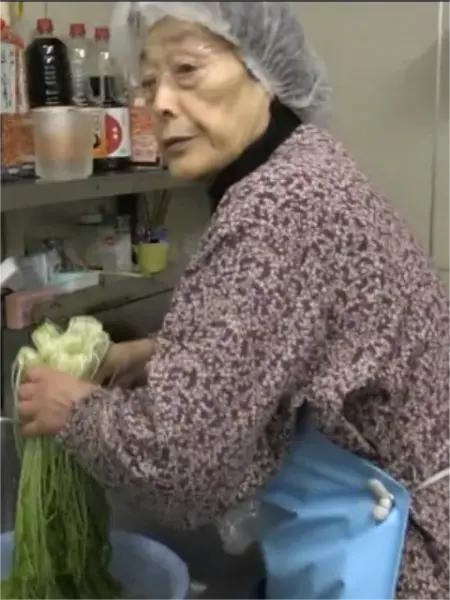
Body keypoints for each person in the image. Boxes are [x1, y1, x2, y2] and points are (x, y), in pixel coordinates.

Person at [17, 3, 449, 598]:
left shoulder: (278, 209)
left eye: (187, 70)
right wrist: (156, 352)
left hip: (406, 557)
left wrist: (74, 411)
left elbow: (182, 465)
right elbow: (295, 338)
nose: (160, 103)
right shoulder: (306, 166)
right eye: (148, 82)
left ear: (263, 72)